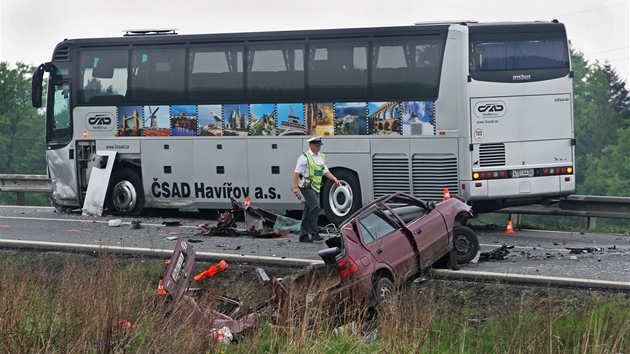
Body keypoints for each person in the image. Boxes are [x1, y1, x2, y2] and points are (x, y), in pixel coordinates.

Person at [293, 136, 340, 242]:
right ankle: (313, 232)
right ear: (310, 145)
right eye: (316, 146)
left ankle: (303, 235)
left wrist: (334, 179)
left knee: (308, 209)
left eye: (320, 146)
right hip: (306, 186)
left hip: (316, 186)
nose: (318, 148)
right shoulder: (304, 157)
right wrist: (295, 187)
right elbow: (296, 173)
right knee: (316, 207)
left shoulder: (321, 157)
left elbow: (325, 171)